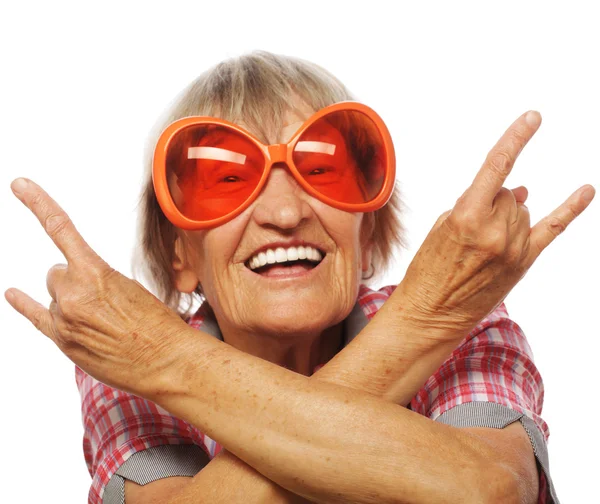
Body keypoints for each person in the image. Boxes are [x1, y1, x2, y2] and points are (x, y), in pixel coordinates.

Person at [5, 51, 595, 504]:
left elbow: (491, 489)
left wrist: (167, 360)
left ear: (368, 236)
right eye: (225, 179)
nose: (285, 213)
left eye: (322, 169)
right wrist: (422, 323)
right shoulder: (124, 359)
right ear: (179, 254)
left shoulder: (466, 312)